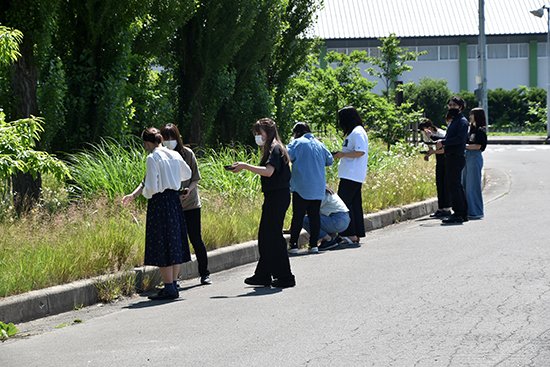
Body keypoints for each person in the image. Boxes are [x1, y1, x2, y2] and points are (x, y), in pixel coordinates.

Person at [122, 127, 192, 300]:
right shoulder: (174, 154)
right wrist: (173, 179)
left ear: (147, 143)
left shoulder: (152, 157)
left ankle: (169, 287)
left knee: (163, 243)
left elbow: (151, 187)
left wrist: (145, 194)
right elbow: (187, 173)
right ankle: (173, 284)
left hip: (159, 203)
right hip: (174, 201)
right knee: (174, 241)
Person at [229, 118, 295, 288]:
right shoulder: (274, 147)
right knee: (266, 236)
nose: (257, 136)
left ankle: (285, 276)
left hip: (277, 197)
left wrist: (245, 166)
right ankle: (263, 274)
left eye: (260, 133)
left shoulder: (275, 148)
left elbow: (268, 172)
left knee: (273, 236)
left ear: (269, 132)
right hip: (275, 196)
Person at [160, 123, 212, 285]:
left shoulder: (187, 154)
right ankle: (176, 278)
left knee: (196, 239)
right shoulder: (161, 156)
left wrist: (188, 190)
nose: (169, 141)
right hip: (173, 206)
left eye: (172, 138)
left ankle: (204, 273)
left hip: (191, 204)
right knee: (177, 242)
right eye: (166, 138)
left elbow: (195, 178)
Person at [287, 122, 333, 255]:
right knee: (315, 217)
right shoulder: (320, 144)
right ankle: (313, 245)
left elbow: (287, 156)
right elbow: (329, 160)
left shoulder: (297, 143)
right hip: (317, 187)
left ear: (296, 133)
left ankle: (294, 245)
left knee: (298, 216)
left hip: (301, 187)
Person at [332, 106, 369, 246]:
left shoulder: (358, 132)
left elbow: (360, 152)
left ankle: (348, 233)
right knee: (353, 205)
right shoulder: (355, 132)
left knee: (344, 204)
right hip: (351, 174)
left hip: (352, 174)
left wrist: (342, 155)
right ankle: (355, 233)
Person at [436, 96, 469, 224]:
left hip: (456, 157)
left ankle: (459, 213)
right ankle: (461, 212)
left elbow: (460, 139)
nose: (451, 108)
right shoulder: (455, 120)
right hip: (451, 156)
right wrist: (434, 137)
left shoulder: (462, 121)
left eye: (454, 105)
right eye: (449, 105)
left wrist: (443, 142)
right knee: (454, 185)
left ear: (460, 107)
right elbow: (450, 138)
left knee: (455, 186)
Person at [419, 118, 451, 218]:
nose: (423, 133)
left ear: (429, 127)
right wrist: (428, 154)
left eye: (424, 130)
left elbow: (444, 150)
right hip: (439, 159)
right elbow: (430, 148)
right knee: (439, 183)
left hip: (446, 158)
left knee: (445, 184)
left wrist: (433, 152)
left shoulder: (441, 134)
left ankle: (447, 208)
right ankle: (440, 208)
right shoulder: (426, 136)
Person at [462, 107, 488, 220]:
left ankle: (476, 211)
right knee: (465, 184)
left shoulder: (480, 130)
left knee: (473, 186)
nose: (470, 116)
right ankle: (468, 210)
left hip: (474, 156)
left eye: (472, 114)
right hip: (467, 156)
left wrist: (464, 146)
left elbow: (478, 146)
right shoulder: (471, 129)